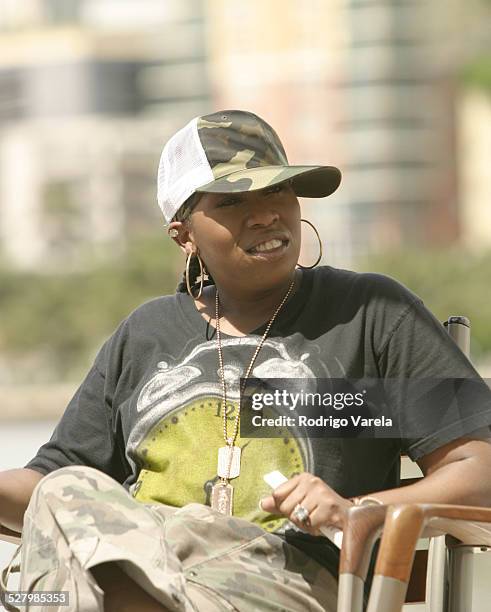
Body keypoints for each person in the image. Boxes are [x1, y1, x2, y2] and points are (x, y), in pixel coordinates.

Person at [1, 109, 491, 612]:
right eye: (233, 201)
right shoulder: (143, 335)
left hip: (282, 579)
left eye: (278, 191)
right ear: (183, 234)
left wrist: (354, 510)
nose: (265, 215)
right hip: (147, 569)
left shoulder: (368, 315)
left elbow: (480, 472)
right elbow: (50, 484)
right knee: (65, 494)